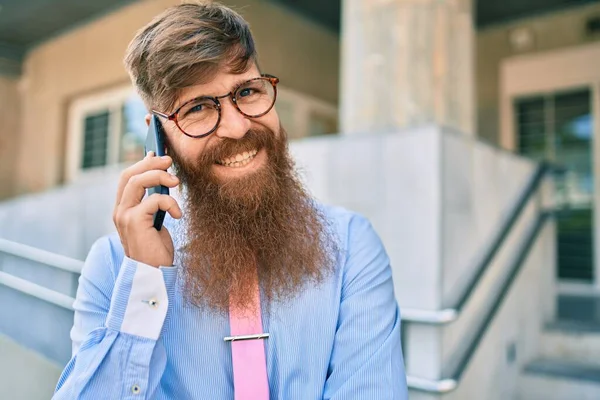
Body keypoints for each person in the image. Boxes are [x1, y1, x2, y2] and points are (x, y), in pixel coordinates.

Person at [53, 2, 408, 399]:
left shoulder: (350, 245)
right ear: (159, 136)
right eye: (198, 108)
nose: (238, 127)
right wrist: (145, 285)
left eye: (247, 91)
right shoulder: (116, 268)